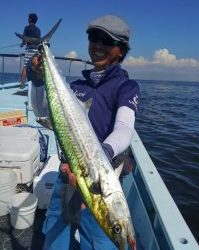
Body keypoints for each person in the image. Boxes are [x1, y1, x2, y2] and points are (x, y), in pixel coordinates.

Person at [28, 14, 140, 250]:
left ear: (120, 50)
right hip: (69, 176)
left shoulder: (125, 87)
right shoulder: (77, 87)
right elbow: (41, 110)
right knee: (55, 237)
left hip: (99, 179)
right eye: (93, 38)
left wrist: (100, 158)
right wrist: (38, 81)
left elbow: (124, 128)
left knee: (100, 240)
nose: (98, 46)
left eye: (106, 41)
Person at [20, 13, 41, 88]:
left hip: (29, 50)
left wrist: (22, 44)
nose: (27, 19)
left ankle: (22, 85)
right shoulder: (38, 30)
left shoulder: (27, 28)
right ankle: (36, 85)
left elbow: (24, 39)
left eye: (28, 18)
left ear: (30, 19)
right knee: (35, 67)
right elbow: (38, 41)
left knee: (25, 67)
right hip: (36, 51)